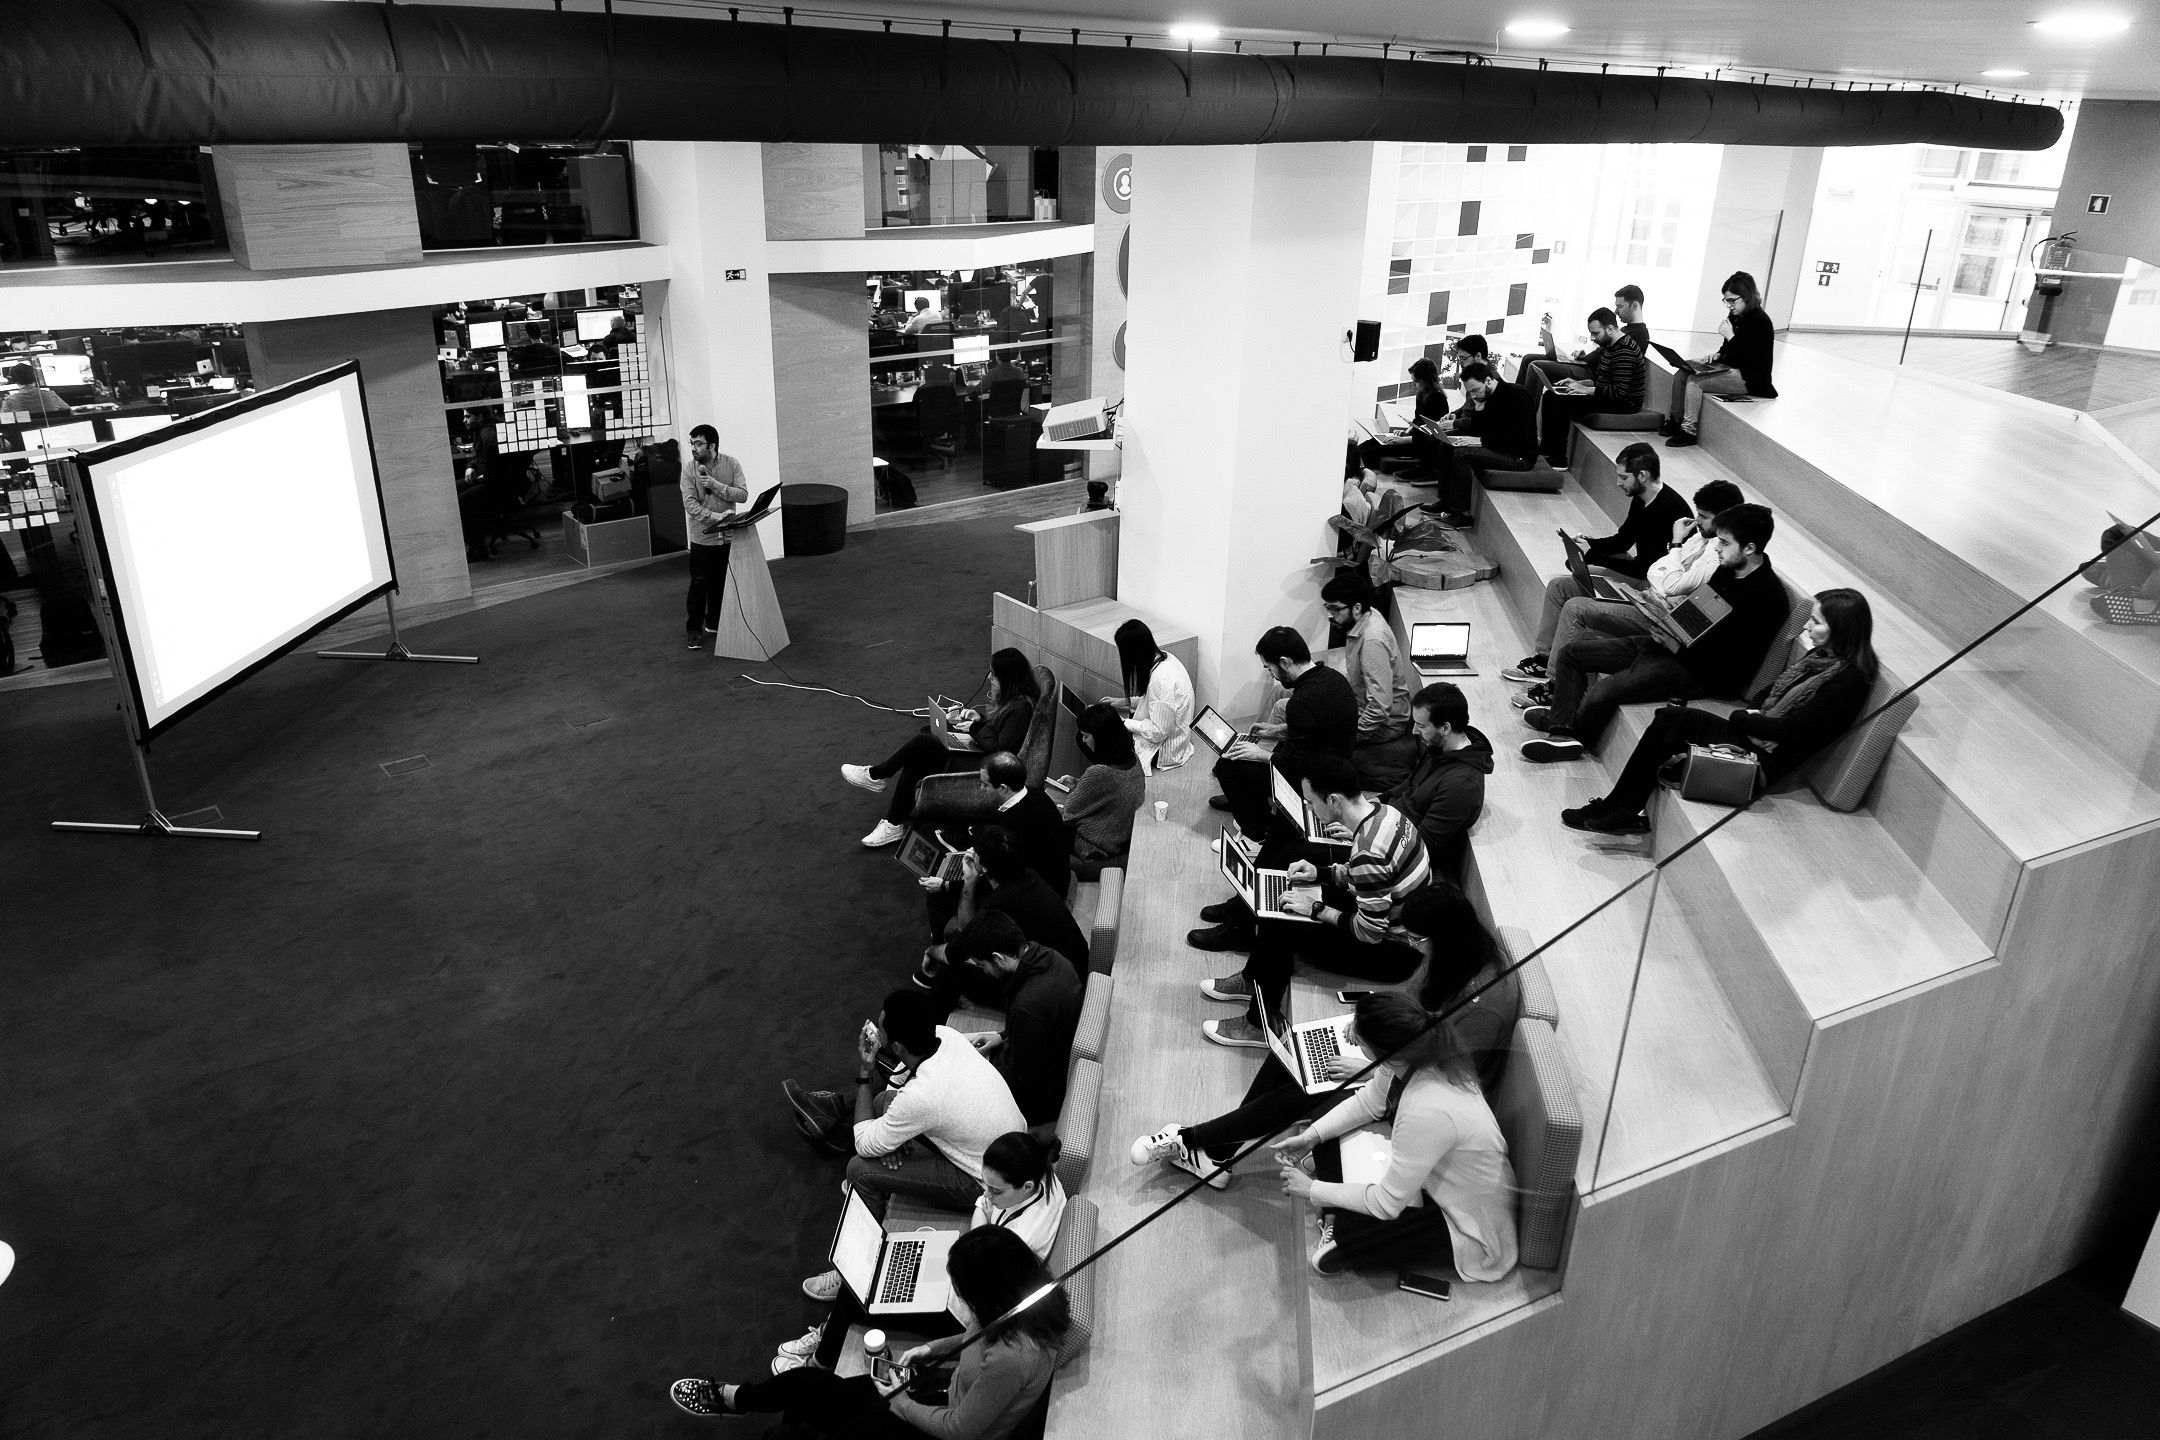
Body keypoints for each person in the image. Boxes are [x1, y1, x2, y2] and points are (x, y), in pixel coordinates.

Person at [1130, 894, 1519, 1190]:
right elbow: (1410, 994)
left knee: (1304, 1089)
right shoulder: (1455, 954)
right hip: (1398, 1061)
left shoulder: (1487, 1004)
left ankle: (1191, 1140)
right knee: (1294, 1053)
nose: (1415, 946)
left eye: (1419, 939)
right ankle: (1218, 1152)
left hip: (1420, 1094)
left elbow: (1447, 1078)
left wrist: (1372, 1071)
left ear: (1445, 937)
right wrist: (1364, 1021)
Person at [671, 1227, 1071, 1437]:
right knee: (815, 1386)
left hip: (942, 1427)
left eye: (964, 1290)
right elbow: (979, 1334)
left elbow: (960, 1430)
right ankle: (737, 1399)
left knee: (837, 1421)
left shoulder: (1015, 1356)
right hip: (938, 1392)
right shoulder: (1021, 1301)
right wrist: (931, 1349)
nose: (962, 1299)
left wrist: (896, 1402)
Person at [1563, 589, 1879, 834]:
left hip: (1765, 760)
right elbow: (1766, 693)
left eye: (1817, 622)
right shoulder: (1821, 658)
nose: (1807, 628)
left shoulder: (1848, 681)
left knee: (1673, 721)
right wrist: (1752, 713)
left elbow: (1796, 732)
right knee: (1670, 718)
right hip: (1755, 732)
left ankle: (1621, 809)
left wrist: (1744, 718)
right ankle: (1618, 806)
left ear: (1842, 630)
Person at [774, 1131, 1069, 1376]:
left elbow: (978, 1239)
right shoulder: (1040, 1177)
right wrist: (983, 1212)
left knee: (860, 1294)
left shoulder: (1019, 1237)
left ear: (1026, 1186)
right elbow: (981, 1211)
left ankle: (817, 1362)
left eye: (995, 1190)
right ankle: (829, 1335)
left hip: (963, 1311)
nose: (987, 1194)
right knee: (879, 1273)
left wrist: (980, 1219)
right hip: (976, 1278)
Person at [1522, 503, 1791, 763]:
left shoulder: (1766, 598)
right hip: (1674, 646)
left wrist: (1675, 645)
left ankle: (1572, 736)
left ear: (1750, 548)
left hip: (1701, 673)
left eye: (1724, 543)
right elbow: (1697, 615)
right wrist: (1667, 625)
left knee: (1605, 690)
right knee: (1573, 652)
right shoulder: (1727, 570)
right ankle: (1561, 725)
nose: (1717, 548)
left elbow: (1729, 661)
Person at [1195, 755, 1433, 1047]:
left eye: (1311, 802)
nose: (1308, 808)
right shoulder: (1383, 813)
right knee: (1290, 892)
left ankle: (1259, 1024)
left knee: (1285, 922)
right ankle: (1253, 978)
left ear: (1333, 800)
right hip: (1389, 924)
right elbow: (1365, 878)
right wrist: (1320, 873)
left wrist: (1317, 909)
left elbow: (1369, 932)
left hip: (1393, 952)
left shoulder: (1370, 851)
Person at [1279, 992, 1519, 1278]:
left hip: (1464, 1222)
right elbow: (1367, 1103)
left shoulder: (1427, 1110)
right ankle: (1333, 1195)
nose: (1352, 1034)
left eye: (1358, 1030)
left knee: (1355, 1233)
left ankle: (1337, 1215)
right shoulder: (1410, 1057)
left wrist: (1311, 1190)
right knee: (1323, 1123)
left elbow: (1386, 1203)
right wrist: (1312, 1137)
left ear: (1380, 1048)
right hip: (1433, 1179)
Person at [785, 988, 1027, 1215]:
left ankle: (875, 1240)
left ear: (897, 1046)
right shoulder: (946, 1035)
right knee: (882, 1101)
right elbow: (900, 1080)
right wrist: (892, 1138)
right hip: (1008, 1148)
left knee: (858, 1170)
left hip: (983, 1182)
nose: (878, 1033)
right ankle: (835, 1128)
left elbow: (863, 1145)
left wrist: (865, 1071)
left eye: (882, 1029)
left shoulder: (922, 1095)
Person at [1514, 479, 1744, 713]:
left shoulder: (1717, 554)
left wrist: (1675, 545)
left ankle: (1555, 687)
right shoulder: (1697, 538)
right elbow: (1655, 571)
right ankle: (1544, 658)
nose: (1696, 521)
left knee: (1576, 608)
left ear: (1724, 517)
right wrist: (1668, 577)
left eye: (1703, 516)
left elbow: (1672, 586)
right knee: (1559, 586)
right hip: (1645, 595)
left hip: (1658, 616)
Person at [1502, 442, 1690, 684]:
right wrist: (1589, 545)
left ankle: (1554, 680)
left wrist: (1593, 556)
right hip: (1644, 576)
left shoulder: (1668, 510)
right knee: (1559, 586)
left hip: (1654, 594)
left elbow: (1644, 568)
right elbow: (1623, 540)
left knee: (1579, 596)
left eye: (1623, 477)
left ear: (1642, 475)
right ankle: (1544, 658)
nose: (1618, 483)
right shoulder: (1642, 498)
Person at [846, 651, 1041, 848]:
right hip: (981, 752)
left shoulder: (1021, 708)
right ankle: (891, 816)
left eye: (994, 674)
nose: (990, 677)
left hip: (984, 764)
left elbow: (1001, 750)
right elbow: (1001, 728)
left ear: (1008, 677)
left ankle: (879, 780)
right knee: (924, 743)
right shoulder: (1014, 700)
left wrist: (974, 729)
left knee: (923, 746)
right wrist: (980, 719)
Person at [1209, 626, 1358, 838]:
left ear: (1285, 662)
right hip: (1335, 764)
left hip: (1316, 779)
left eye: (1270, 668)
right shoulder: (1333, 678)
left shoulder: (1302, 700)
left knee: (1228, 765)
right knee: (1252, 752)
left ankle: (1258, 832)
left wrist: (1261, 754)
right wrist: (1280, 729)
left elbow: (1293, 762)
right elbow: (1320, 727)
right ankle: (1248, 803)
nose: (1272, 675)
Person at [946, 912, 1084, 1127]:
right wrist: (1002, 1037)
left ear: (999, 958)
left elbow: (1020, 1081)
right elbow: (1045, 1029)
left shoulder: (1028, 1007)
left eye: (983, 966)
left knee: (952, 1090)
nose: (985, 972)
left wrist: (972, 1066)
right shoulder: (1054, 958)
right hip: (1052, 1061)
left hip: (1041, 1099)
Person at [915, 822, 1088, 990]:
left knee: (951, 970)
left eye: (975, 852)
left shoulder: (997, 905)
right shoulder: (1028, 875)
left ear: (984, 866)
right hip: (1074, 969)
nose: (971, 852)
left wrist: (931, 951)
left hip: (1054, 987)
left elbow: (962, 936)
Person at [1385, 682, 1493, 884]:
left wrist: (1367, 830)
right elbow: (1409, 785)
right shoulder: (1439, 746)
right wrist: (1370, 806)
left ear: (1445, 728)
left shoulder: (1461, 785)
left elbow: (1418, 846)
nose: (1414, 732)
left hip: (1401, 859)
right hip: (1389, 827)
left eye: (1421, 725)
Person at [1320, 574, 1419, 791]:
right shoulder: (1366, 615)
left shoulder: (1372, 640)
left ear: (1356, 608)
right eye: (1327, 608)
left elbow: (1380, 708)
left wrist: (1350, 736)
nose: (1330, 615)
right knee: (1289, 698)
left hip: (1386, 723)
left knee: (1310, 729)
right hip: (1359, 704)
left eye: (1335, 609)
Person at [1665, 270, 1779, 447]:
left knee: (1695, 381)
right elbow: (1728, 349)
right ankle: (1675, 420)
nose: (1728, 305)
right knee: (1682, 372)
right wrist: (1718, 355)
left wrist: (1731, 336)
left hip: (1751, 377)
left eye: (1732, 300)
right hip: (1731, 366)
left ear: (1747, 297)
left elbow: (1749, 358)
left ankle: (1688, 431)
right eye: (1726, 300)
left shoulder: (1761, 321)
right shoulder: (1735, 315)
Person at [1536, 307, 1648, 468]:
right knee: (1550, 395)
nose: (1592, 338)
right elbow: (1603, 380)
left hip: (1624, 404)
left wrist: (1587, 390)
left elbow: (1619, 392)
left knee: (1560, 403)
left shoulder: (1625, 350)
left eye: (1596, 333)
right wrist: (1581, 384)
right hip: (1609, 395)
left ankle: (1559, 458)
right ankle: (1546, 450)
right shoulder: (1610, 345)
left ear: (1610, 329)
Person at [1433, 360, 1539, 515]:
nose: (1474, 395)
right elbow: (1479, 428)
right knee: (1447, 444)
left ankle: (1460, 513)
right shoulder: (1485, 397)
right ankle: (1445, 501)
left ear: (1488, 381)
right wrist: (1478, 409)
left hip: (1518, 455)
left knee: (1462, 454)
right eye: (1470, 393)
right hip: (1496, 445)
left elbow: (1518, 438)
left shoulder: (1517, 395)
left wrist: (1482, 441)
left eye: (1476, 390)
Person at [681, 423, 749, 650]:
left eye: (698, 443)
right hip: (703, 537)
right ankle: (694, 630)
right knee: (699, 584)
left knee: (721, 582)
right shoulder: (689, 470)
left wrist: (716, 485)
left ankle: (715, 622)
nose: (693, 448)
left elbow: (742, 495)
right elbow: (691, 505)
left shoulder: (732, 464)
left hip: (727, 536)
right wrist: (717, 516)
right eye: (692, 443)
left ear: (712, 445)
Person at [1059, 704, 1146, 874]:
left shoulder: (1099, 773)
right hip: (1119, 835)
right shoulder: (1133, 758)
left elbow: (1069, 813)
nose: (1083, 741)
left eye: (1086, 736)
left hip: (1098, 844)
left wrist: (1075, 789)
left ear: (1101, 737)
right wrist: (1079, 784)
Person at [1109, 618, 1194, 772]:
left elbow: (1158, 732)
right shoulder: (1166, 658)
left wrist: (1123, 723)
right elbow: (1153, 702)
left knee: (1102, 733)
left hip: (1163, 750)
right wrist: (1125, 702)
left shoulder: (1161, 680)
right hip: (1169, 735)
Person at [1356, 356, 1450, 477]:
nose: (1413, 384)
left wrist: (1403, 440)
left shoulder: (1438, 399)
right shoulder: (1422, 394)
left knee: (1377, 449)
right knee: (1372, 442)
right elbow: (1417, 420)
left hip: (1423, 445)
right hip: (1414, 437)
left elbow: (1430, 435)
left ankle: (1357, 470)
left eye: (1415, 381)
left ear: (1425, 381)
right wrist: (1405, 432)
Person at [0, 362, 72, 419]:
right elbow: (69, 412)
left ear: (13, 380)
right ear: (35, 377)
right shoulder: (50, 395)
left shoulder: (9, 401)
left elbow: (4, 424)